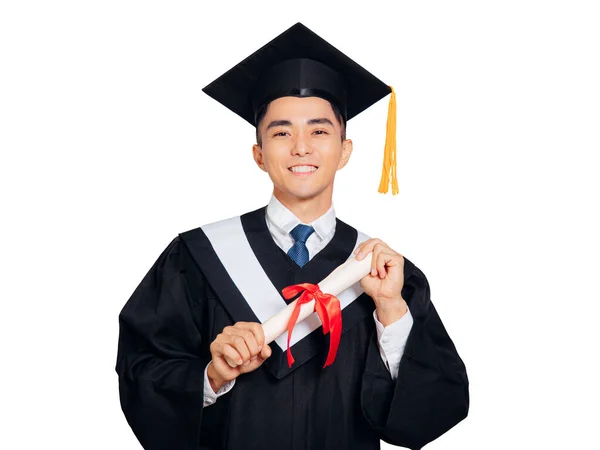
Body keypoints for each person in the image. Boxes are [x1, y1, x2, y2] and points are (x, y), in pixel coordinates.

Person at [115, 22, 469, 450]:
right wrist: (211, 376)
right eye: (281, 132)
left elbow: (437, 408)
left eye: (319, 131)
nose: (301, 147)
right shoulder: (197, 257)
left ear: (345, 149)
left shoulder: (382, 272)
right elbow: (143, 371)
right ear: (259, 155)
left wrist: (390, 308)